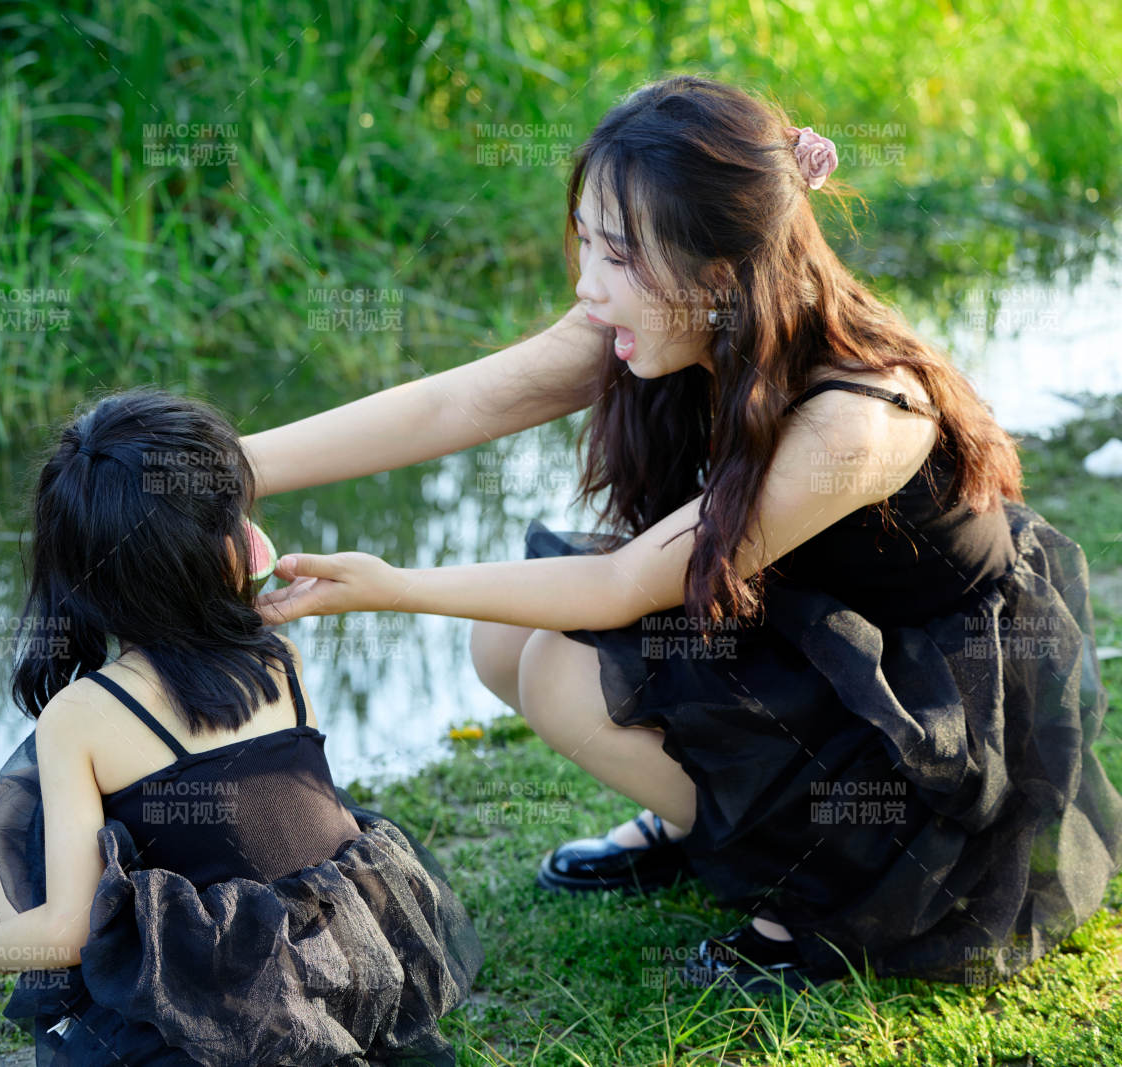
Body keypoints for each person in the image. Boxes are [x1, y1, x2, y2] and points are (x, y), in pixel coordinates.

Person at [243, 74, 1122, 993]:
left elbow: (624, 584)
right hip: (814, 625)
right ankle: (703, 817)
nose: (589, 285)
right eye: (585, 242)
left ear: (716, 272)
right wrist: (233, 464)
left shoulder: (861, 418)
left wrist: (387, 583)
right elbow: (453, 403)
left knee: (551, 665)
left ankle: (813, 889)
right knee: (503, 637)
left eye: (617, 256)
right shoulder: (674, 313)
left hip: (917, 713)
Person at [0, 386, 484, 1065]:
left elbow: (68, 934)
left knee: (2, 815)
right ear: (230, 550)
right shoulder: (281, 658)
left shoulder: (80, 715)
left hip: (214, 1034)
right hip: (346, 999)